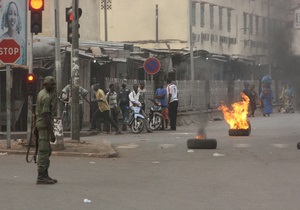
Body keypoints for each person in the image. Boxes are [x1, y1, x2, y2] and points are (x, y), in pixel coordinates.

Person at [35, 76, 57, 184]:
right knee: (43, 151)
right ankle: (41, 176)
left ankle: (45, 174)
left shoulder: (42, 93)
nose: (53, 87)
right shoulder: (46, 97)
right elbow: (46, 115)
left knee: (47, 150)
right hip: (44, 127)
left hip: (41, 125)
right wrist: (51, 133)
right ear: (45, 85)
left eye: (54, 85)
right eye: (51, 85)